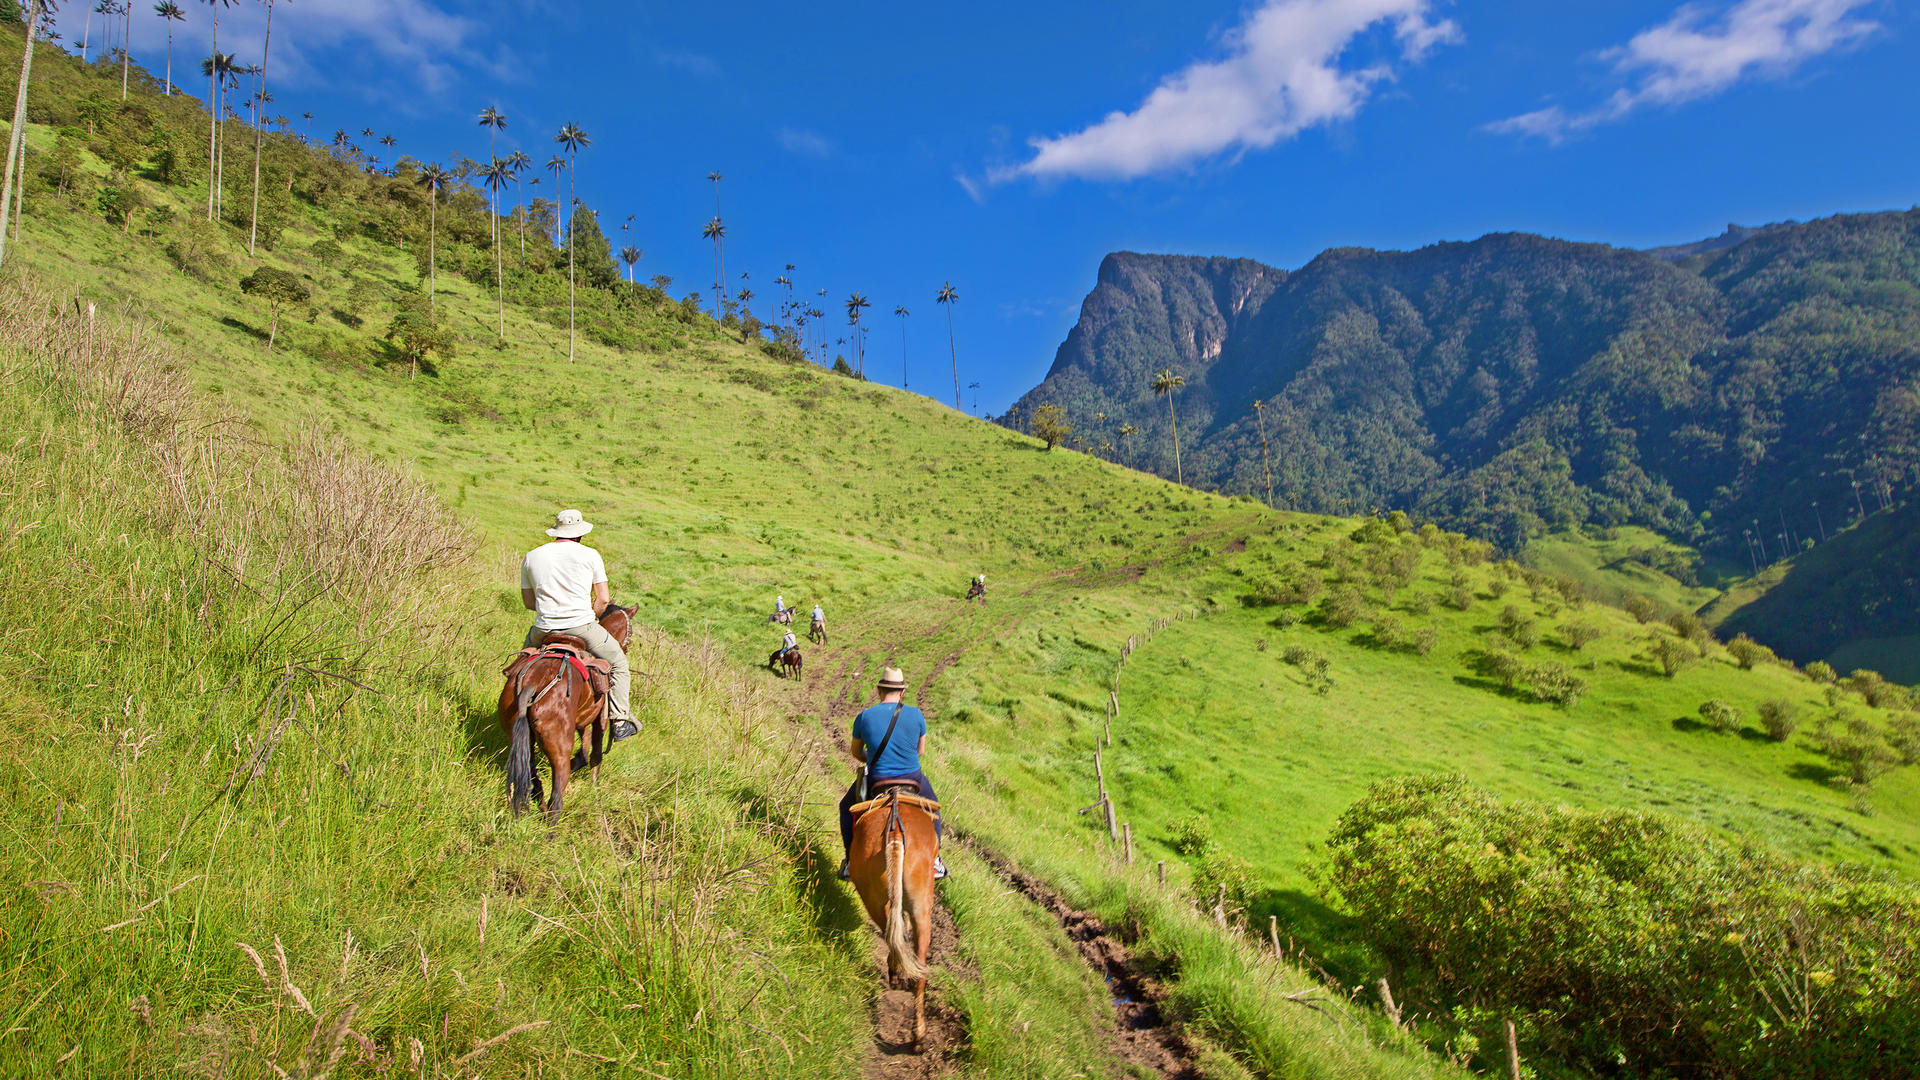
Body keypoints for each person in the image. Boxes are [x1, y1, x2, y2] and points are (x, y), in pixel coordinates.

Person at [519, 509, 637, 741]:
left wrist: (551, 611)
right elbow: (603, 599)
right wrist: (588, 615)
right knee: (619, 664)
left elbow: (528, 602)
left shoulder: (532, 556)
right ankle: (620, 720)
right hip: (581, 626)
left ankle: (514, 706)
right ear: (580, 534)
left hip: (543, 629)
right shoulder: (590, 555)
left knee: (521, 664)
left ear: (556, 531)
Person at [838, 667, 945, 881]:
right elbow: (920, 751)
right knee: (934, 806)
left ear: (879, 690)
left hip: (878, 779)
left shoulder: (864, 717)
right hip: (912, 779)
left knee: (846, 807)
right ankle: (935, 861)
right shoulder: (916, 714)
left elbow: (856, 752)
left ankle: (850, 861)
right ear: (902, 692)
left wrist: (873, 757)